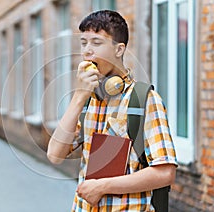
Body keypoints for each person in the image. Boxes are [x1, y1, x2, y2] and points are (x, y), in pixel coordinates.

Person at [47, 10, 177, 211]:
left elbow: (165, 172)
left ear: (119, 50)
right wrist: (79, 97)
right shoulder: (88, 98)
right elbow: (54, 155)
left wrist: (103, 186)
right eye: (84, 43)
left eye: (96, 43)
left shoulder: (144, 100)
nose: (87, 51)